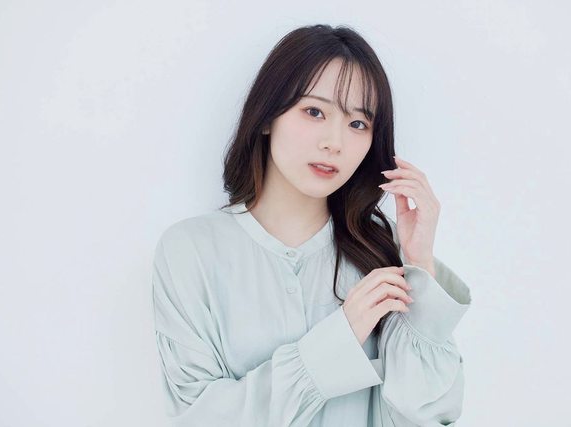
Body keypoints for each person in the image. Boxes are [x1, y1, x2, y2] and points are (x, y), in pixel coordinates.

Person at [151, 24, 472, 427]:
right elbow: (199, 417)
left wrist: (420, 265)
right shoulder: (190, 251)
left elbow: (429, 416)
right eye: (314, 112)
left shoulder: (382, 252)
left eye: (358, 124)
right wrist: (338, 341)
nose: (334, 142)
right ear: (267, 117)